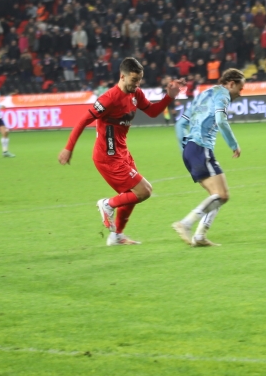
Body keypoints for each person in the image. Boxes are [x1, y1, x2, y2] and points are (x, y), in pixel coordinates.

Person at [58, 58, 182, 246]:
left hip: (122, 153)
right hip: (107, 157)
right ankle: (107, 204)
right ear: (122, 76)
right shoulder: (109, 98)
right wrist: (69, 148)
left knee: (130, 196)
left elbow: (152, 111)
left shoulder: (136, 94)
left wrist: (169, 97)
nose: (137, 84)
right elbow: (83, 120)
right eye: (134, 80)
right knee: (144, 191)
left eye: (139, 80)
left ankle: (116, 237)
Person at [172, 69, 245, 247]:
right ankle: (186, 223)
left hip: (191, 149)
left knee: (217, 195)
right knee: (222, 195)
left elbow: (180, 124)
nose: (240, 94)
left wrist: (185, 147)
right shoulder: (224, 95)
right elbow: (221, 120)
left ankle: (200, 236)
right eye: (240, 88)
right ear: (231, 83)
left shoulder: (204, 94)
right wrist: (233, 144)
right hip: (201, 148)